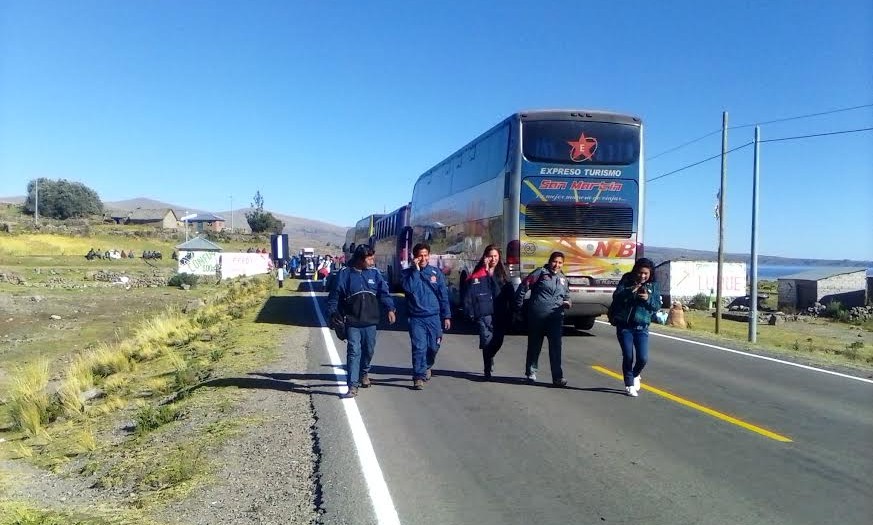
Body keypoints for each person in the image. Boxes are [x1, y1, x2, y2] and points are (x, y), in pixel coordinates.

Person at [327, 245, 397, 398]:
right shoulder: (344, 274)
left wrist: (390, 309)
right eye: (370, 258)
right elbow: (334, 296)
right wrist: (332, 314)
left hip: (370, 321)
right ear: (360, 259)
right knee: (353, 352)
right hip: (352, 321)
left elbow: (384, 293)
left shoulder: (375, 274)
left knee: (369, 351)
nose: (373, 261)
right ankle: (352, 386)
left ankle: (364, 373)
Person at [514, 251, 570, 387]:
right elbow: (523, 287)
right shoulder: (540, 273)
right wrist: (519, 307)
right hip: (537, 317)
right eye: (554, 261)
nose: (557, 265)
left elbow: (567, 295)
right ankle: (531, 372)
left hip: (555, 319)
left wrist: (568, 301)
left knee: (556, 348)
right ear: (550, 261)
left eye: (560, 263)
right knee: (534, 346)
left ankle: (557, 377)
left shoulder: (563, 279)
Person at [402, 242, 451, 390]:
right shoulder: (407, 274)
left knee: (433, 346)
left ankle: (427, 365)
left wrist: (446, 315)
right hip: (416, 317)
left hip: (433, 317)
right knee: (419, 347)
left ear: (429, 256)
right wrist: (415, 270)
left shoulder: (436, 273)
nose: (423, 258)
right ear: (414, 257)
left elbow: (443, 296)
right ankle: (418, 376)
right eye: (420, 256)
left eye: (425, 255)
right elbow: (409, 289)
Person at [609, 257, 661, 397]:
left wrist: (647, 299)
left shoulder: (654, 285)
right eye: (640, 272)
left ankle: (636, 374)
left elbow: (656, 305)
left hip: (642, 327)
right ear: (635, 271)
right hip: (624, 326)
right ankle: (629, 384)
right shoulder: (627, 279)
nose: (642, 276)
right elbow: (617, 296)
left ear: (650, 274)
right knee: (628, 355)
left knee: (643, 358)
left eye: (646, 274)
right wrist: (631, 290)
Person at [463, 245, 513, 381]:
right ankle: (487, 369)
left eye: (495, 256)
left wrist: (514, 309)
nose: (493, 259)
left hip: (500, 311)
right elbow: (470, 289)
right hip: (484, 313)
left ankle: (490, 356)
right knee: (486, 340)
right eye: (490, 256)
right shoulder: (479, 272)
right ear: (485, 257)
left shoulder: (502, 273)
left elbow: (502, 292)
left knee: (498, 341)